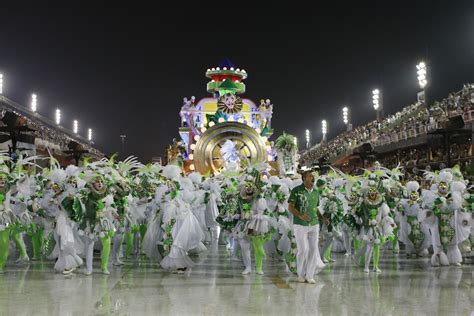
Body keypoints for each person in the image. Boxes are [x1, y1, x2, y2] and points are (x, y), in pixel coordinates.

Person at [287, 169, 325, 284]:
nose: (312, 178)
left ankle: (310, 275)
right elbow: (290, 207)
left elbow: (316, 207)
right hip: (300, 224)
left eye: (313, 176)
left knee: (313, 249)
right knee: (303, 250)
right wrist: (301, 215)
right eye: (310, 176)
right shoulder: (296, 191)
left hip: (314, 224)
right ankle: (300, 274)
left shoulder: (316, 192)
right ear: (304, 179)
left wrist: (322, 217)